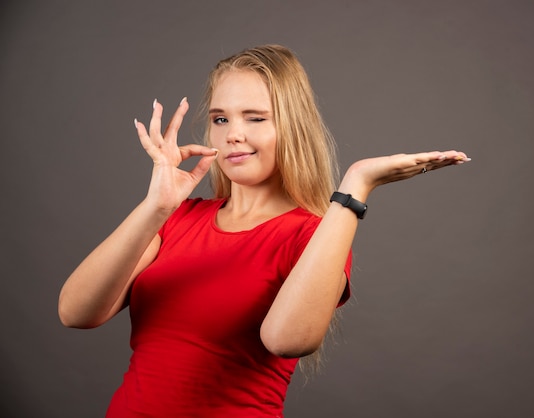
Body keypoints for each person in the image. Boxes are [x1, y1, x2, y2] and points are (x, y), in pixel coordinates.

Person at [58, 44, 470, 417]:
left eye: (255, 118)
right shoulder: (179, 218)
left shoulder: (312, 235)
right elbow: (76, 312)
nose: (233, 133)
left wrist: (355, 186)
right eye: (221, 118)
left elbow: (286, 340)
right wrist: (156, 207)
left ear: (293, 127)